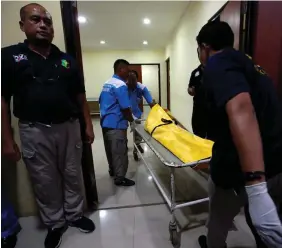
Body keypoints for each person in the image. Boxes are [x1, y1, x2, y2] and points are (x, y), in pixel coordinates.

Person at [1, 3, 95, 248]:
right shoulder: (9, 57)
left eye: (48, 21)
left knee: (73, 174)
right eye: (36, 19)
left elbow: (80, 95)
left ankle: (74, 216)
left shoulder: (67, 60)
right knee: (44, 179)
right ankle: (55, 223)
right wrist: (6, 140)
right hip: (34, 130)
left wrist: (88, 125)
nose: (44, 24)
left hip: (69, 126)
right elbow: (2, 99)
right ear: (23, 25)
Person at [195, 21, 282, 248]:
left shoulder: (218, 63)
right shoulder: (252, 66)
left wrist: (256, 186)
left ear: (204, 47)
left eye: (198, 50)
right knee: (266, 228)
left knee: (217, 224)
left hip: (237, 174)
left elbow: (242, 107)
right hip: (274, 165)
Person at [99, 59, 137, 187]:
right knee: (119, 151)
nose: (129, 72)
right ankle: (120, 178)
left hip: (105, 122)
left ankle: (112, 170)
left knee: (110, 150)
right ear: (120, 69)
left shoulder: (107, 83)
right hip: (116, 123)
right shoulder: (120, 85)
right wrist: (132, 122)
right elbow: (125, 107)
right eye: (127, 69)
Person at [127, 70, 155, 161]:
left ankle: (136, 148)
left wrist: (158, 113)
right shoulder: (123, 87)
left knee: (137, 132)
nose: (131, 82)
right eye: (129, 80)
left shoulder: (142, 88)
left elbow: (151, 102)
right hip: (123, 113)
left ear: (137, 80)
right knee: (122, 133)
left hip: (135, 113)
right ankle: (124, 145)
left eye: (133, 80)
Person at [188, 64, 208, 139]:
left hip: (212, 109)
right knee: (197, 132)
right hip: (198, 108)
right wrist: (190, 91)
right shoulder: (195, 72)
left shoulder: (215, 71)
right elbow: (190, 87)